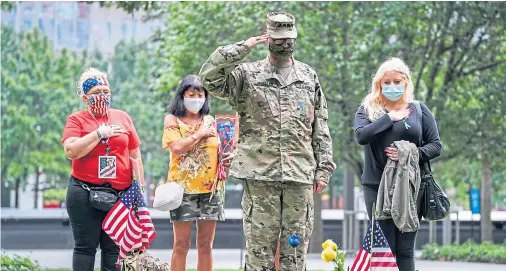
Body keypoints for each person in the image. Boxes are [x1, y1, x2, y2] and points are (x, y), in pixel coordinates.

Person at [199, 12, 336, 270]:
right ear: (268, 38)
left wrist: (324, 168)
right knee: (259, 251)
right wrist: (243, 48)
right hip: (260, 177)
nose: (285, 44)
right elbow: (210, 77)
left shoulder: (308, 76)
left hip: (299, 176)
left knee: (295, 251)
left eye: (289, 39)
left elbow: (320, 125)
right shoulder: (247, 75)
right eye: (279, 39)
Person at [353, 57, 442, 271]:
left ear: (406, 82)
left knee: (405, 249)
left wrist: (410, 153)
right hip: (376, 186)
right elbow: (361, 136)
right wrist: (389, 118)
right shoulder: (367, 109)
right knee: (385, 247)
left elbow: (436, 146)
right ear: (379, 84)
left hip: (411, 186)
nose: (392, 86)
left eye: (397, 81)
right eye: (387, 82)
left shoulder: (419, 110)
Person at [62, 67, 145, 271]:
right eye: (96, 92)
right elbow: (71, 150)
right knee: (85, 247)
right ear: (84, 97)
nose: (102, 96)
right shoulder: (77, 119)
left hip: (121, 194)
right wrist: (99, 134)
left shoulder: (123, 117)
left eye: (105, 91)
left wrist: (139, 188)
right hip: (84, 191)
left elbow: (134, 153)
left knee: (114, 249)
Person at [161, 75, 235, 271]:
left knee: (205, 245)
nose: (196, 98)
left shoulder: (211, 120)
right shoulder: (173, 119)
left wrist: (226, 157)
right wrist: (199, 134)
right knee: (181, 244)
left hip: (211, 190)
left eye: (200, 94)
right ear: (182, 96)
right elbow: (177, 148)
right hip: (182, 190)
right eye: (191, 94)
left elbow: (217, 149)